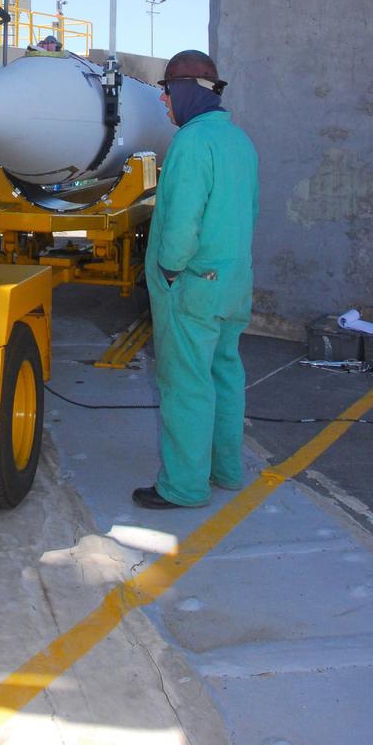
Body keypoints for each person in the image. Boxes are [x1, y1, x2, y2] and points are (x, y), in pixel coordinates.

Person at [133, 50, 259, 511]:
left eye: (167, 93)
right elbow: (251, 211)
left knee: (185, 384)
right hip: (234, 280)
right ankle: (225, 469)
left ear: (184, 91)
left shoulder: (190, 142)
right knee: (224, 373)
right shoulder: (239, 141)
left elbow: (183, 221)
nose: (165, 103)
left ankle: (184, 486)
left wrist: (168, 269)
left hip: (193, 283)